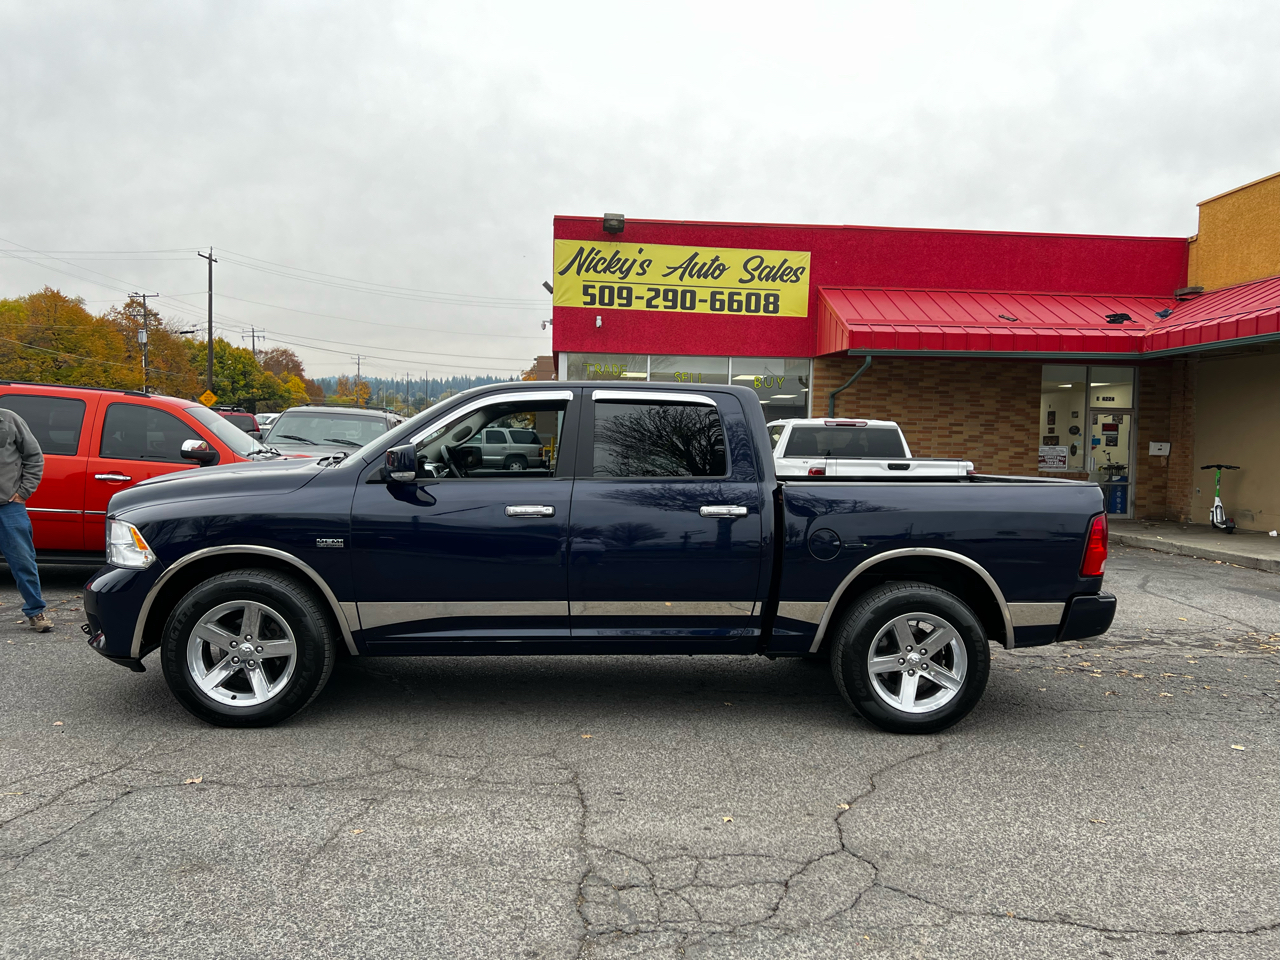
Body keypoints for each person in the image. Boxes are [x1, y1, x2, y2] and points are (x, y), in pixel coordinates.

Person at [0, 407, 51, 632]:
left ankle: (35, 611)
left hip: (9, 507)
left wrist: (23, 493)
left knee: (23, 562)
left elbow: (34, 457)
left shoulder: (9, 419)